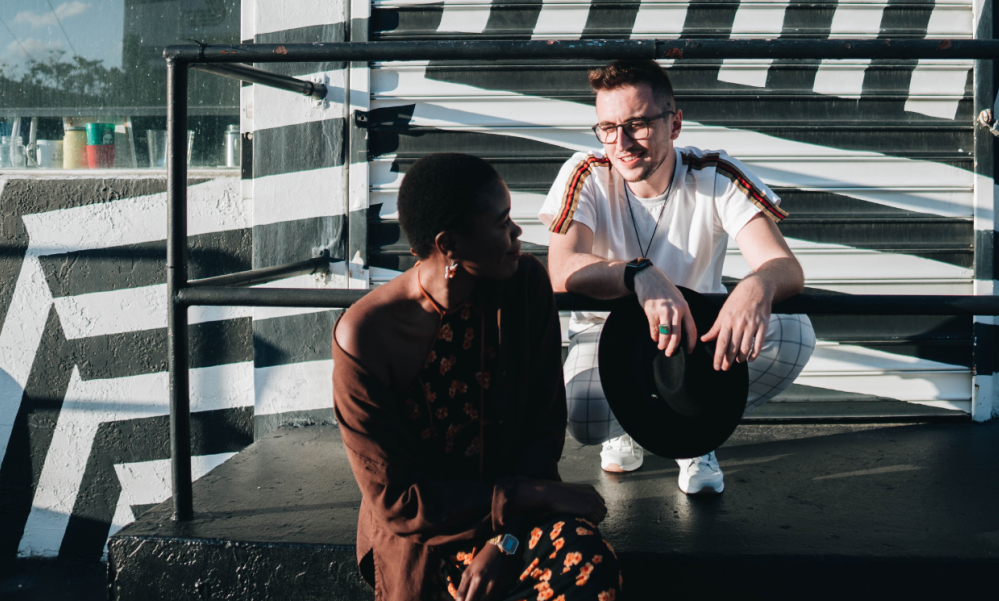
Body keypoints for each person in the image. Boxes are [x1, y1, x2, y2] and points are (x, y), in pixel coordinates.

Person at [333, 153, 621, 601]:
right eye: (502, 222)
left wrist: (502, 540)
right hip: (428, 533)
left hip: (521, 514)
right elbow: (397, 502)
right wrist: (521, 500)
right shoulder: (365, 335)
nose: (517, 234)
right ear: (449, 245)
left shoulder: (523, 285)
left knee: (587, 567)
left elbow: (542, 432)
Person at [540, 59, 816, 496]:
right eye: (607, 127)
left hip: (696, 336)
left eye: (637, 124)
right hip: (610, 338)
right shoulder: (587, 172)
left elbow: (785, 267)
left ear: (675, 123)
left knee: (796, 333)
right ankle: (631, 425)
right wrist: (637, 275)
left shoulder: (714, 173)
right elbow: (562, 269)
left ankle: (697, 430)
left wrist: (756, 286)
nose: (621, 142)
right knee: (586, 417)